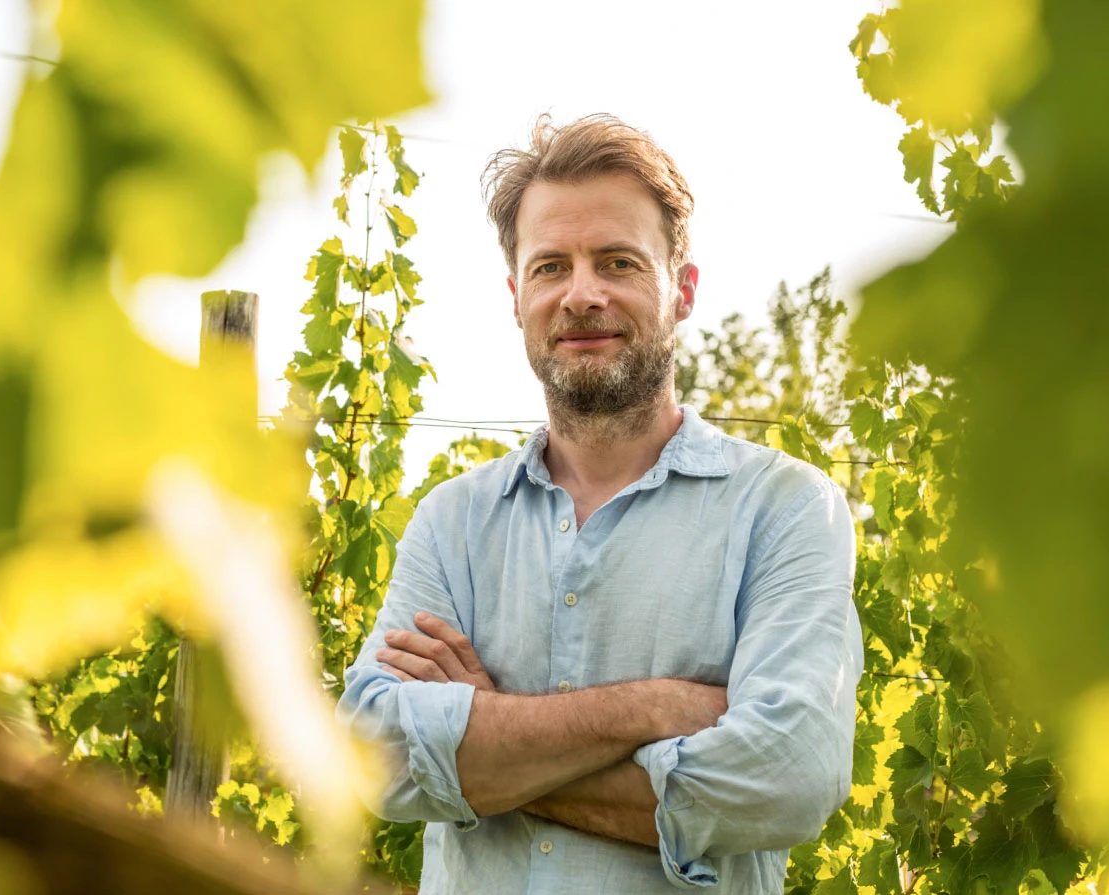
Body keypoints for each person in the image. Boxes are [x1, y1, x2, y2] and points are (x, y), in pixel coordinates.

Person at [335, 114, 863, 893]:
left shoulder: (783, 509)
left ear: (681, 289)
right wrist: (655, 707)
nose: (582, 294)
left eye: (617, 262)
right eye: (551, 267)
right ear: (517, 298)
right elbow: (370, 754)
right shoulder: (451, 522)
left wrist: (489, 740)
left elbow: (788, 774)